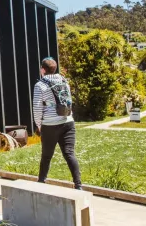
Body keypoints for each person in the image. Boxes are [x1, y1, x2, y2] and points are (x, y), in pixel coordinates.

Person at [32, 57, 82, 190]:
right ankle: (78, 185)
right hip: (68, 122)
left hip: (50, 124)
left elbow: (37, 108)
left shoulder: (40, 85)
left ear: (43, 69)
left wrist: (39, 125)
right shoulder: (65, 81)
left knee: (46, 156)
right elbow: (69, 101)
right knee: (69, 154)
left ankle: (41, 183)